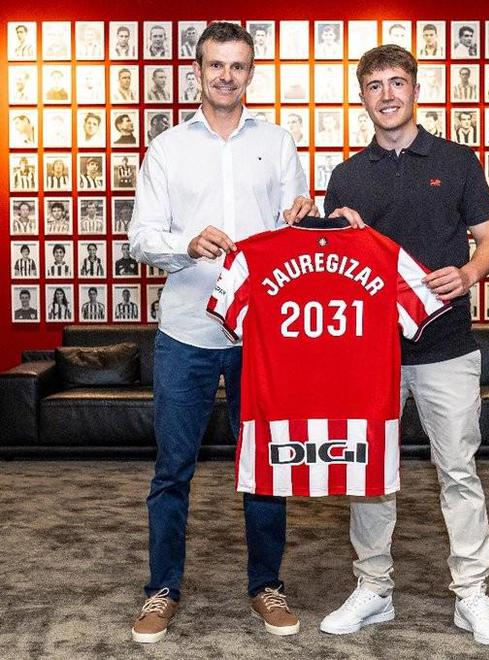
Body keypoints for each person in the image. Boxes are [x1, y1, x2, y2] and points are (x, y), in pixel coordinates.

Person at [128, 21, 316, 643]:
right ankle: (162, 589)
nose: (226, 76)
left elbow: (296, 234)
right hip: (186, 331)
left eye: (238, 66)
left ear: (250, 73)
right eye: (216, 65)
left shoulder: (279, 142)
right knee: (172, 470)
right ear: (198, 72)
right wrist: (187, 243)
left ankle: (267, 585)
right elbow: (140, 238)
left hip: (260, 335)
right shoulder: (167, 148)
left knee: (265, 465)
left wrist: (303, 219)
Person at [321, 43, 489, 646]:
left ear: (415, 90)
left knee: (458, 471)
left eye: (397, 82)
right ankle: (373, 588)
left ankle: (472, 593)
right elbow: (332, 266)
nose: (387, 95)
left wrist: (469, 273)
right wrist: (332, 229)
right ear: (362, 97)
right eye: (375, 85)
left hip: (447, 345)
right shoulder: (347, 176)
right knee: (369, 474)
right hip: (370, 353)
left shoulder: (456, 160)